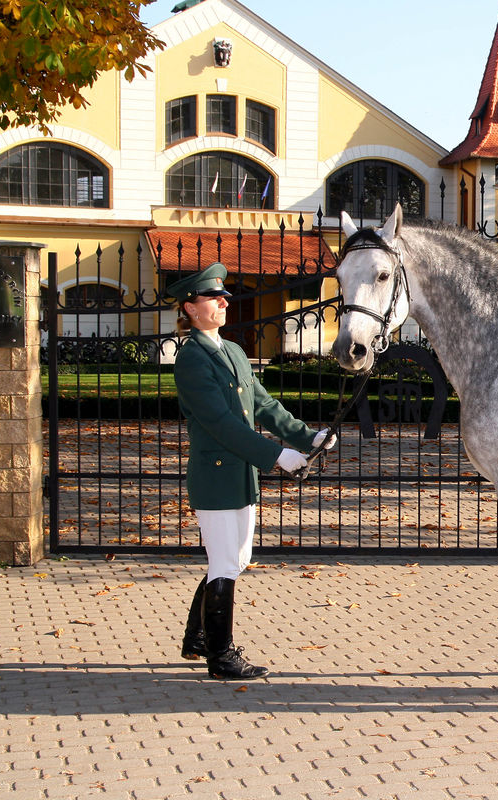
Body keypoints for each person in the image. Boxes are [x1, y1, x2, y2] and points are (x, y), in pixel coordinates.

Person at [168, 262, 335, 680]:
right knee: (225, 561)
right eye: (213, 296)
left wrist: (306, 438)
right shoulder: (191, 359)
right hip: (217, 475)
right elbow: (221, 424)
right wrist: (279, 457)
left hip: (239, 474)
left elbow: (264, 406)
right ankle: (221, 658)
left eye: (223, 295)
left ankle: (199, 637)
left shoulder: (232, 351)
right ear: (190, 307)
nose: (224, 301)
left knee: (232, 559)